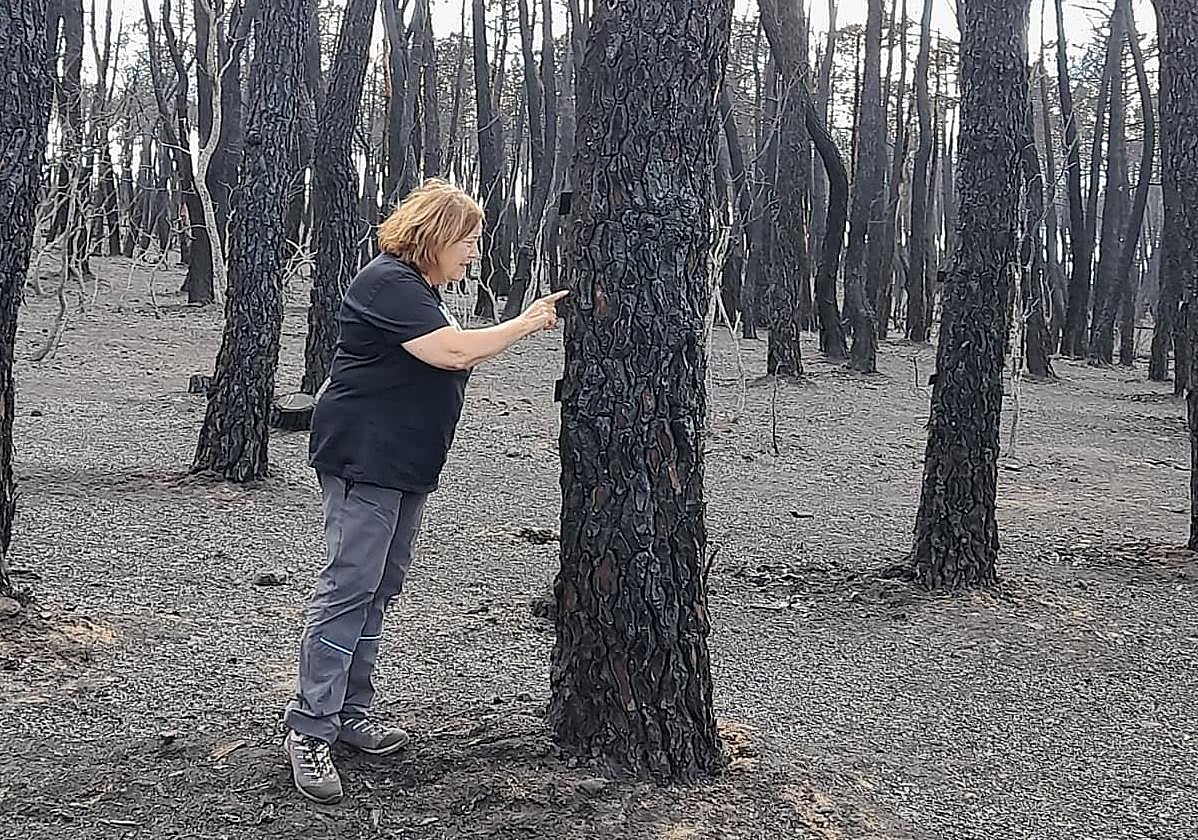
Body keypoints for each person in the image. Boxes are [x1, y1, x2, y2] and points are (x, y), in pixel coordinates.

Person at [282, 179, 568, 804]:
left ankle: (350, 716)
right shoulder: (387, 282)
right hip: (366, 457)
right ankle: (309, 729)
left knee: (379, 587)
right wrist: (527, 321)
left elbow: (452, 353)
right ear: (434, 235)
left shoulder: (422, 291)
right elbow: (453, 353)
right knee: (348, 587)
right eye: (468, 240)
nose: (473, 253)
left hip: (406, 462)